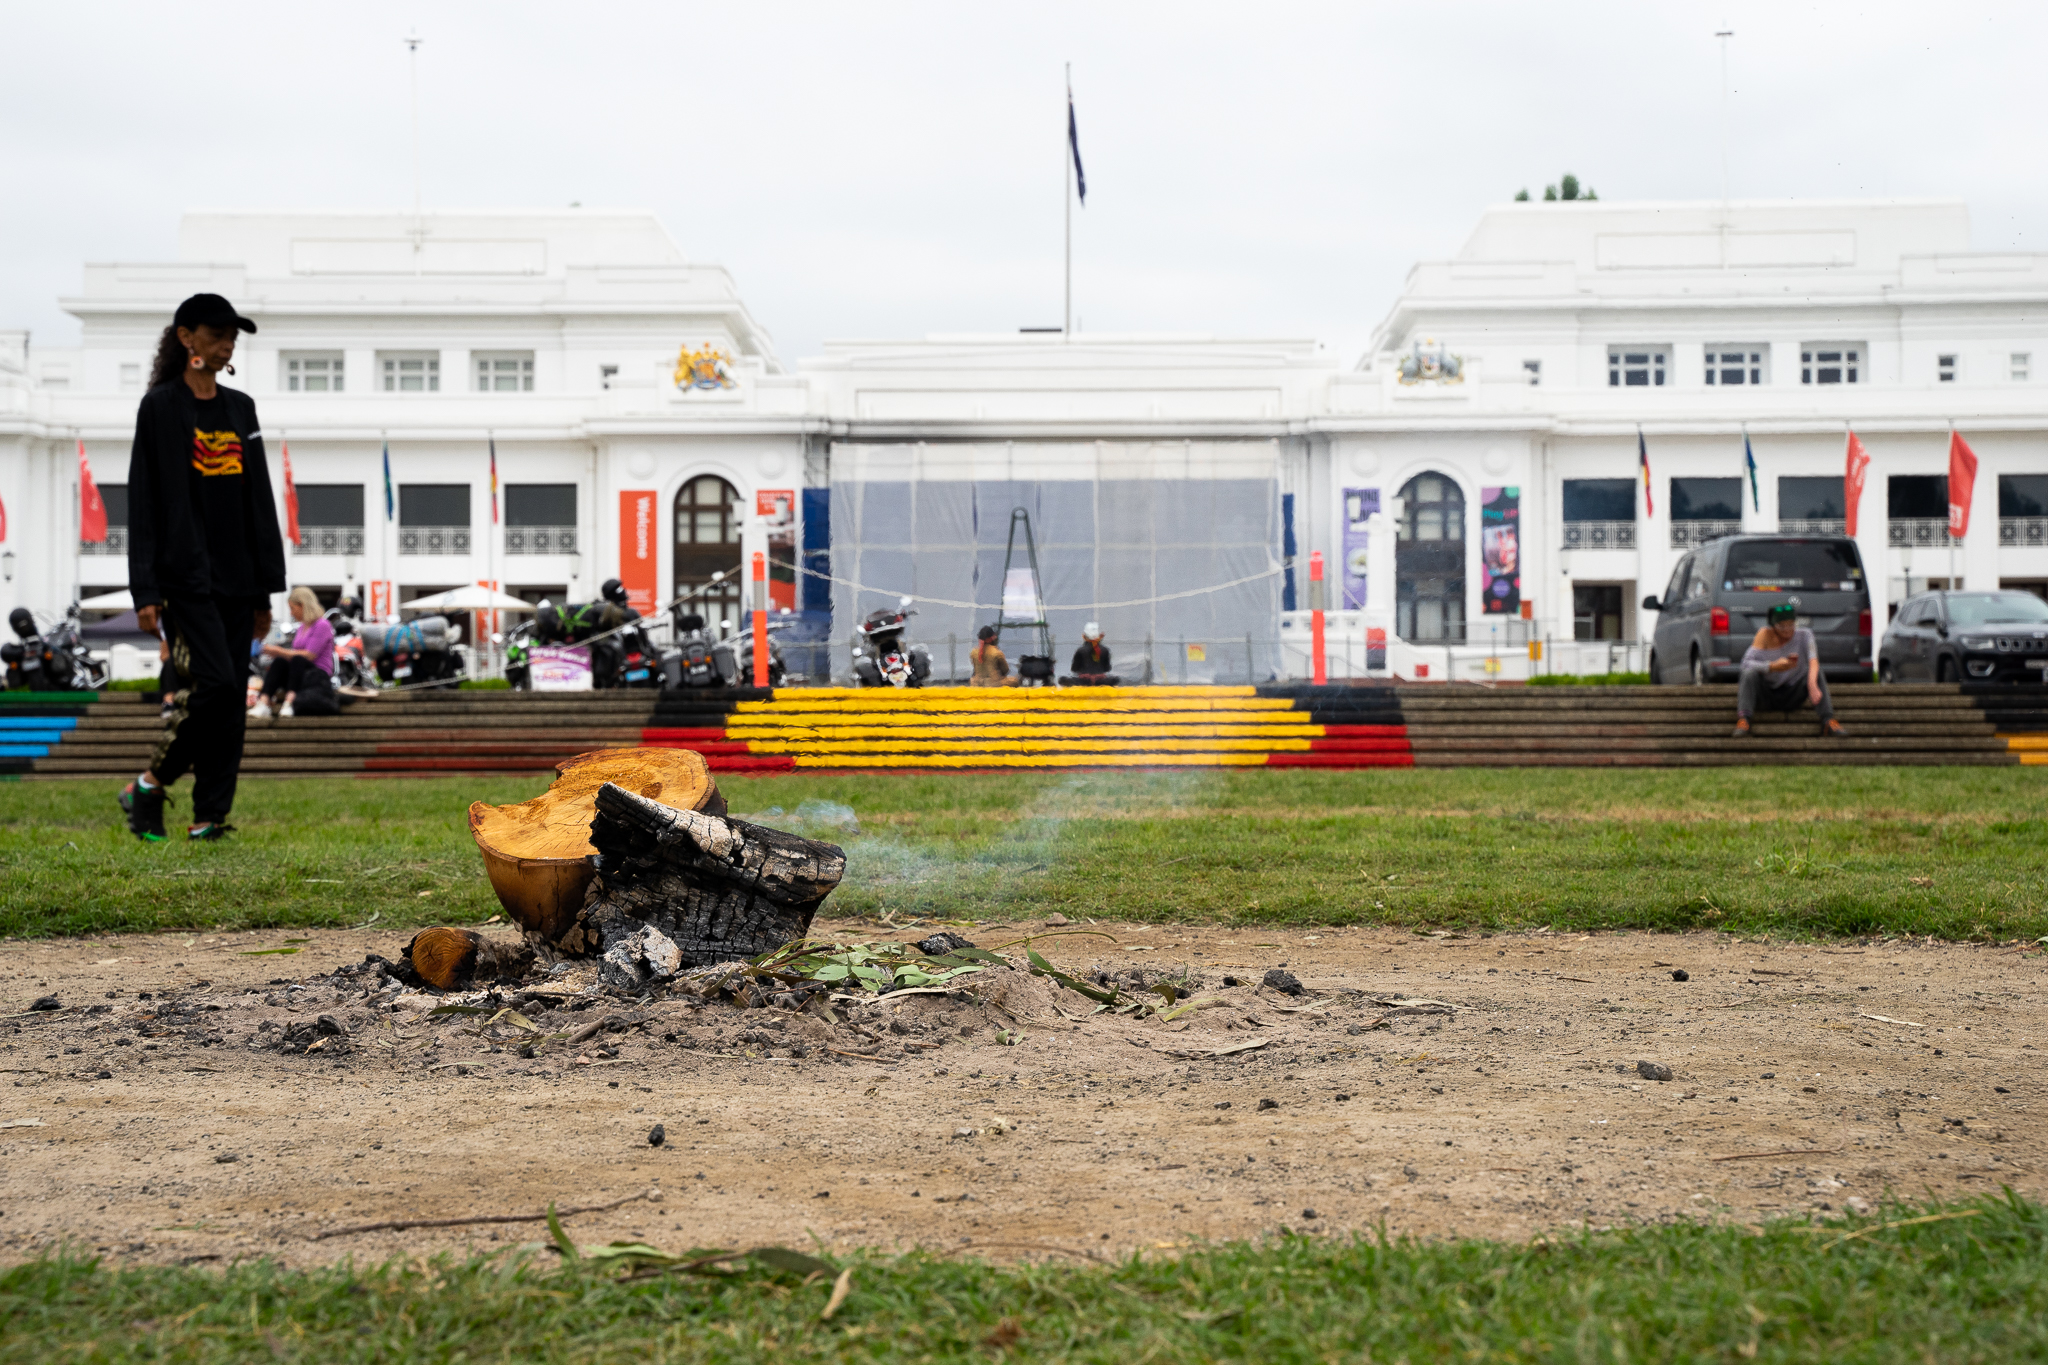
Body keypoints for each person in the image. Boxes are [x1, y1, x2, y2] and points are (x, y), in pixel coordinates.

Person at [117, 293, 286, 842]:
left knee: (230, 697)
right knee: (212, 684)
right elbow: (142, 500)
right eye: (217, 333)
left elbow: (259, 496)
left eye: (232, 335)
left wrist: (267, 589)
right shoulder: (160, 407)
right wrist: (145, 587)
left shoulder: (241, 408)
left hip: (240, 578)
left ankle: (209, 815)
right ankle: (148, 784)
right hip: (183, 577)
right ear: (187, 337)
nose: (227, 342)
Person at [1733, 601, 1845, 739]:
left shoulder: (1805, 635)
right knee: (1748, 673)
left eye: (1791, 625)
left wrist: (1811, 684)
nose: (1787, 630)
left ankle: (1828, 720)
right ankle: (1744, 719)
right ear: (1774, 627)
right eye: (1781, 626)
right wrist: (1772, 666)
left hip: (1793, 693)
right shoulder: (1763, 636)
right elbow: (1745, 664)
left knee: (1816, 672)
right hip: (1767, 694)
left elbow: (1813, 660)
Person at [252, 586, 337, 719]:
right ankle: (264, 701)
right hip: (300, 672)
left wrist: (279, 650)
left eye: (292, 608)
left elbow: (310, 655)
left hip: (317, 675)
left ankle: (290, 701)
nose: (291, 613)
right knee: (280, 662)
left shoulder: (322, 625)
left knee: (297, 659)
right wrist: (279, 654)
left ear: (302, 606)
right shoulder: (302, 627)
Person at [1066, 622, 1121, 686]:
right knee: (1116, 679)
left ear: (1084, 636)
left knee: (1063, 679)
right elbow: (1107, 668)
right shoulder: (1105, 650)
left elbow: (1074, 669)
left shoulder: (1080, 650)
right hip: (1101, 681)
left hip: (1084, 681)